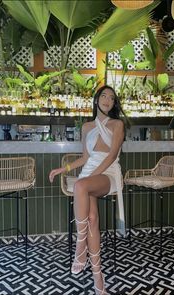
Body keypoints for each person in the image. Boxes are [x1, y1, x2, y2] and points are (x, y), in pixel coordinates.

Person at [49, 85, 126, 295]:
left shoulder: (118, 124)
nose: (107, 100)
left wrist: (91, 177)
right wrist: (62, 168)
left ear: (114, 103)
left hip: (108, 175)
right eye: (104, 96)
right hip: (89, 175)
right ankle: (98, 278)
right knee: (92, 219)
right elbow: (84, 158)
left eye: (112, 98)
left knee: (81, 185)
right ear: (96, 100)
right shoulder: (86, 127)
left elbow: (111, 156)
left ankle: (79, 247)